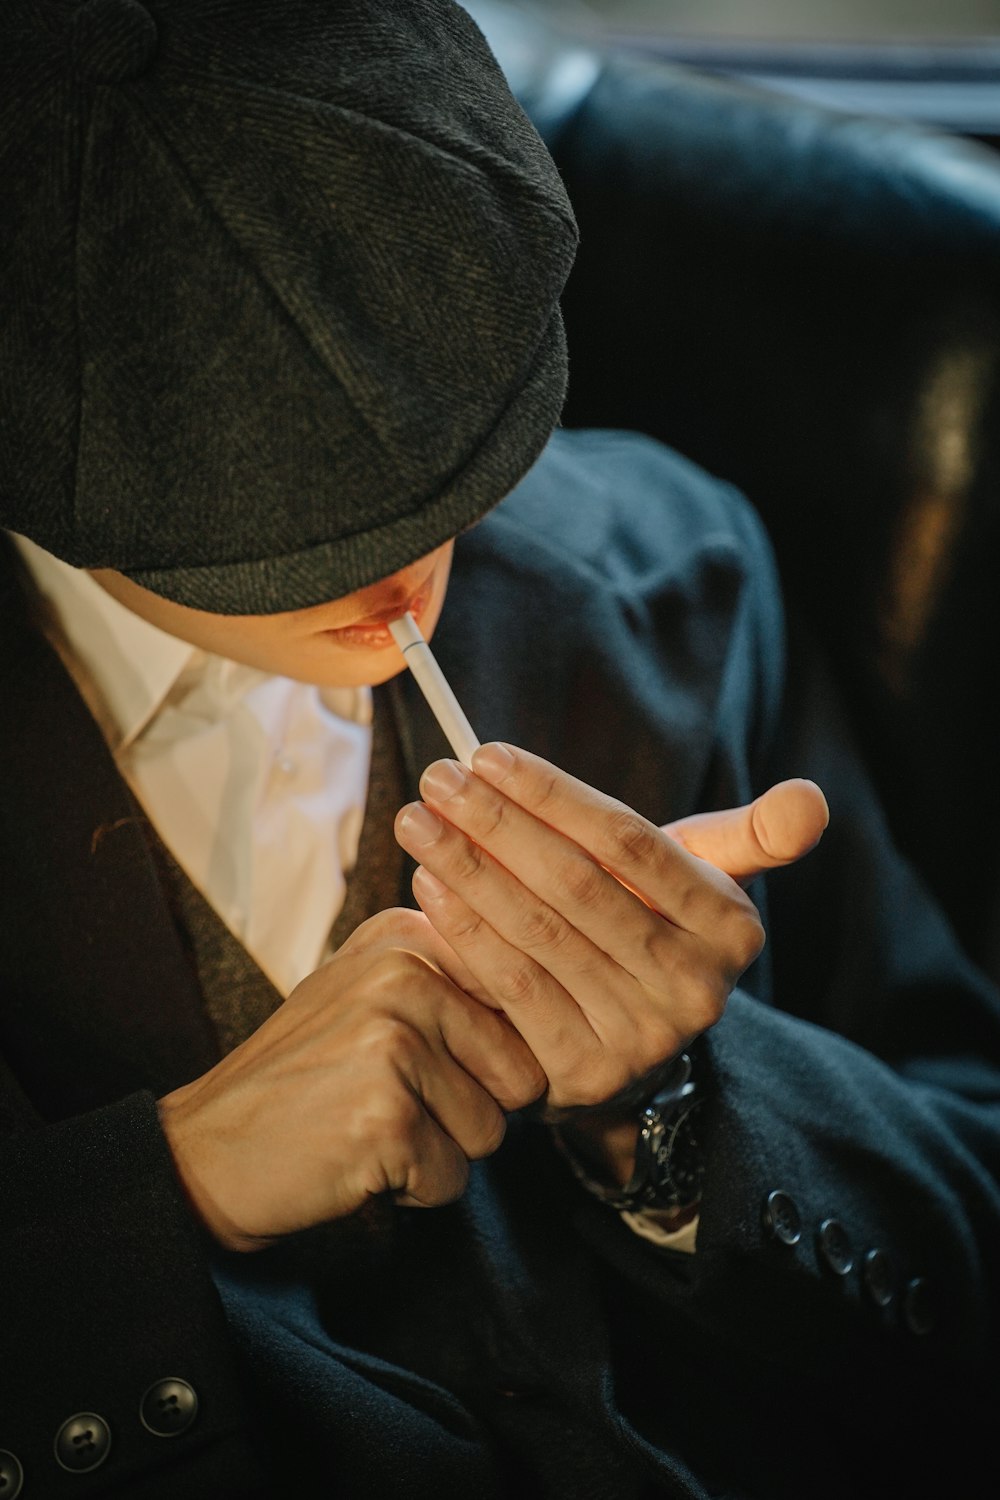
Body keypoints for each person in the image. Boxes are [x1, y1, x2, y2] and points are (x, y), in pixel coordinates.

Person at [2, 3, 999, 1498]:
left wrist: (678, 1112)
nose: (402, 555)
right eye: (269, 507)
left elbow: (967, 1219)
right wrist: (170, 1188)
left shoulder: (673, 578)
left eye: (440, 457)